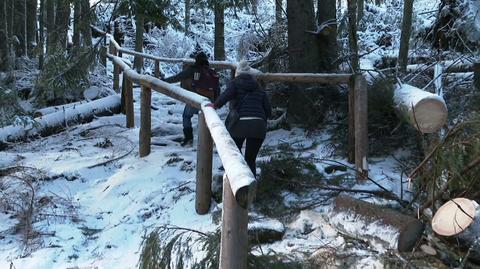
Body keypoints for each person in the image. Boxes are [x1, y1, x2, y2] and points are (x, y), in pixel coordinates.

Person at [210, 60, 271, 176]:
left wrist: (215, 105)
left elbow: (225, 95)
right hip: (258, 126)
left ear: (237, 74)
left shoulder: (235, 83)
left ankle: (234, 185)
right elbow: (268, 110)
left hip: (239, 124)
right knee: (250, 159)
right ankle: (251, 188)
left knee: (235, 157)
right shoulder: (258, 87)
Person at [163, 52, 219, 146]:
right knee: (208, 120)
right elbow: (217, 88)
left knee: (186, 116)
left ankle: (189, 138)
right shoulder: (212, 72)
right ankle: (210, 140)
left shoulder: (192, 70)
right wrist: (215, 102)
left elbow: (178, 77)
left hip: (196, 99)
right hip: (209, 102)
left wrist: (164, 81)